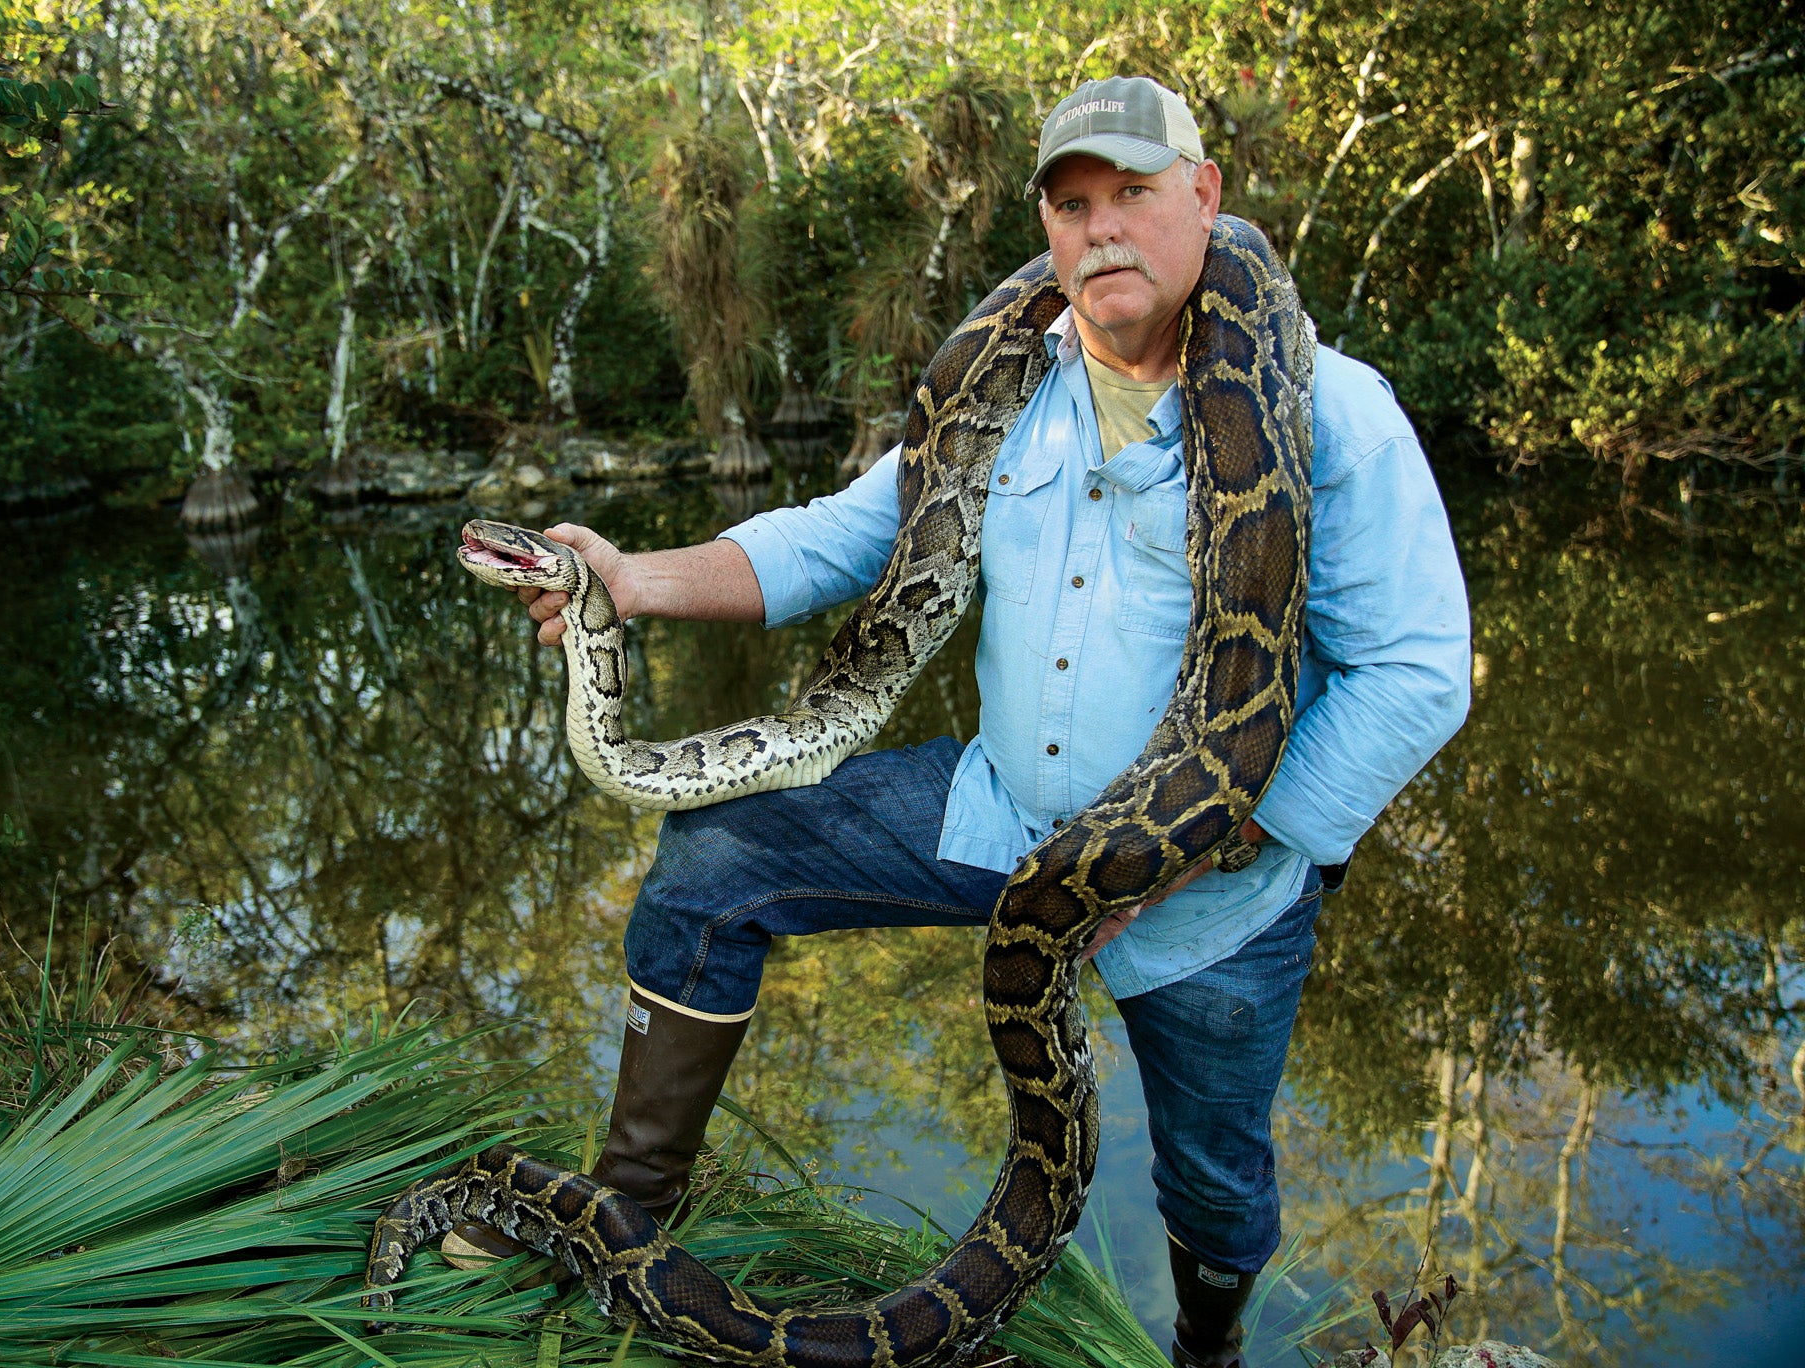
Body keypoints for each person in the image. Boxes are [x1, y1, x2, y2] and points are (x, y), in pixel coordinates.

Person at [453, 76, 1472, 1368]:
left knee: (1214, 1180)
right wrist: (627, 578)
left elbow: (1419, 674)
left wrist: (1225, 837)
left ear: (1204, 200)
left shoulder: (1334, 412)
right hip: (1000, 812)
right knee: (717, 857)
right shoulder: (1008, 385)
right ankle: (626, 1210)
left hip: (1216, 880)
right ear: (1046, 233)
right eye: (1073, 205)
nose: (1103, 230)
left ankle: (1206, 1343)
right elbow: (841, 538)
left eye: (1134, 196)